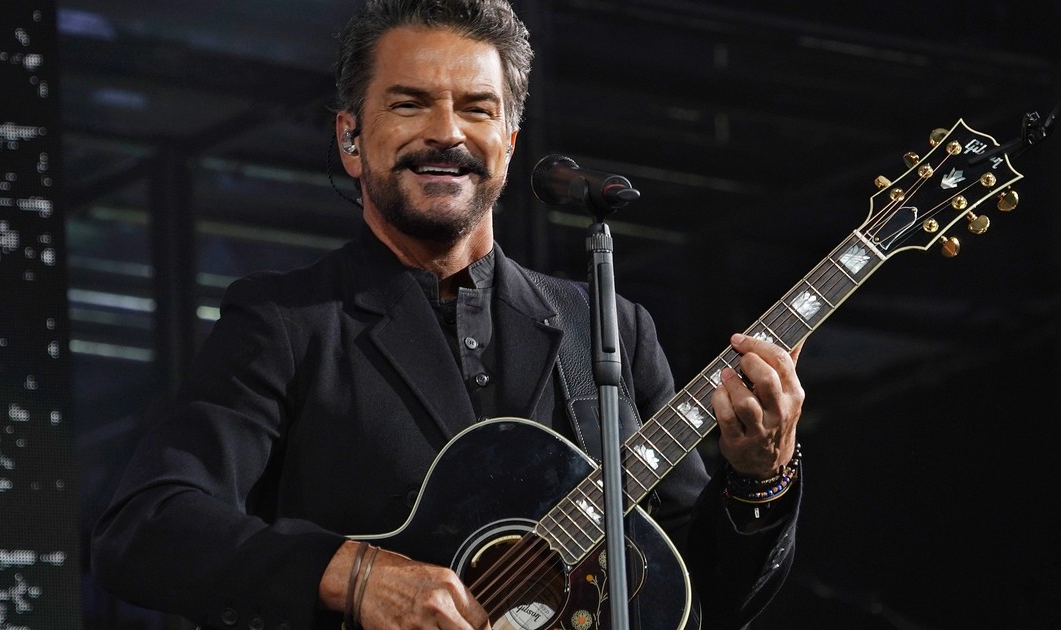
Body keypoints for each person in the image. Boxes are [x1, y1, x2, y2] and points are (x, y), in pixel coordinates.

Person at [92, 1, 805, 628]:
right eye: (409, 104)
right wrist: (357, 577)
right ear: (349, 139)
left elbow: (701, 602)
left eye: (477, 108)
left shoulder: (608, 329)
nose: (447, 133)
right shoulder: (287, 322)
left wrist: (758, 478)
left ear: (510, 143)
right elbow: (147, 528)